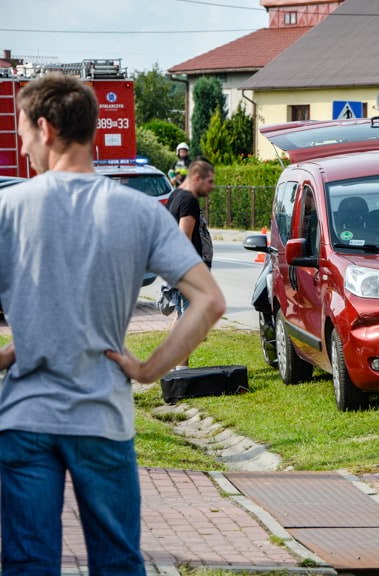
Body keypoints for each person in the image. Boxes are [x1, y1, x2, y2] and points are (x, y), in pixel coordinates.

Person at [0, 73, 225, 575]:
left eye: (23, 134)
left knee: (27, 563)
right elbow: (209, 301)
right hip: (102, 416)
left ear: (46, 128)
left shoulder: (7, 208)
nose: (22, 145)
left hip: (24, 419)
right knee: (117, 563)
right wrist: (148, 370)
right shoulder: (137, 212)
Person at [167, 158, 215, 368]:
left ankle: (177, 366)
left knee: (182, 315)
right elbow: (183, 237)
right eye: (209, 182)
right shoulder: (188, 201)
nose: (211, 187)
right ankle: (181, 369)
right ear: (197, 178)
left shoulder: (175, 195)